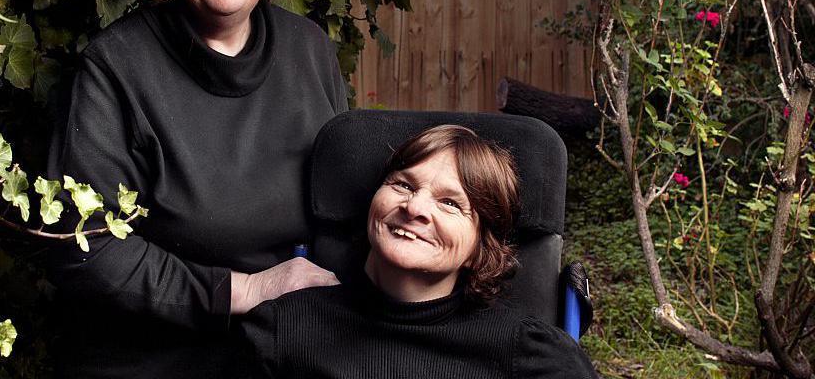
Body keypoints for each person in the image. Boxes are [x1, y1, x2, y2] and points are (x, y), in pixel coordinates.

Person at [47, 0, 347, 378]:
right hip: (150, 362)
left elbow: (343, 214)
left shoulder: (311, 51)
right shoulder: (114, 68)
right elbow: (84, 249)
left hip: (282, 355)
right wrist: (249, 290)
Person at [238, 125, 598, 379]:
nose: (415, 207)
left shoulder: (530, 354)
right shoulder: (279, 331)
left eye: (450, 203)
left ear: (480, 249)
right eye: (402, 184)